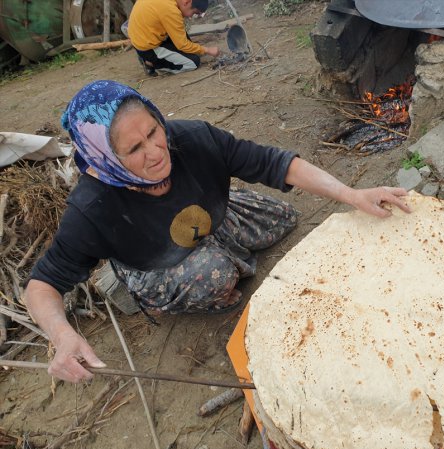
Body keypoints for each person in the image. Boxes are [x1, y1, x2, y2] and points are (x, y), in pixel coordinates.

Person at [24, 80, 410, 384]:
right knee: (218, 275)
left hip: (206, 219)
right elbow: (41, 286)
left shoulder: (192, 138)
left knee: (284, 217)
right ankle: (156, 295)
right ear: (105, 159)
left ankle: (220, 243)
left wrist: (351, 194)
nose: (156, 151)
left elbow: (274, 163)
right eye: (134, 149)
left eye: (153, 131)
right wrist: (61, 336)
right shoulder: (91, 209)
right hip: (155, 258)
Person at [127, 0, 220, 75]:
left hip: (144, 34)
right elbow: (183, 45)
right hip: (148, 47)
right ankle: (151, 63)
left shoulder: (171, 4)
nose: (191, 16)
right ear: (187, 2)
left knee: (183, 37)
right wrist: (207, 50)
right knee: (193, 62)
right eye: (194, 12)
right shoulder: (171, 10)